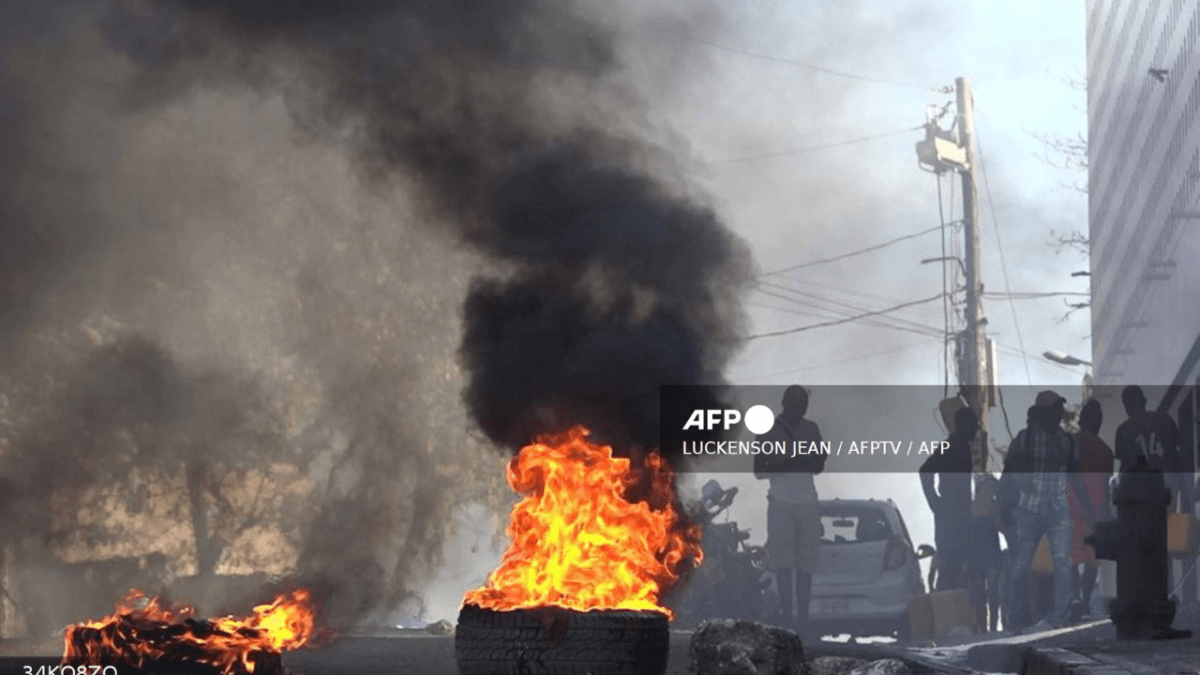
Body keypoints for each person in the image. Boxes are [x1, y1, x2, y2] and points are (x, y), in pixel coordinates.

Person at [1000, 390, 1094, 633]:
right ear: (1042, 413)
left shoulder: (1068, 441)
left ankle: (1060, 616)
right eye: (1053, 409)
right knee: (1021, 563)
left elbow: (1075, 477)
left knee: (1063, 562)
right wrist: (1007, 502)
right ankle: (1015, 618)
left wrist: (1089, 507)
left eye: (1059, 409)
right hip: (1029, 510)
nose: (1057, 414)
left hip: (1057, 510)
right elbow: (1009, 473)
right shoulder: (1025, 439)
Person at [754, 385, 827, 636]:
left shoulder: (811, 428)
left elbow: (819, 465)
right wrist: (788, 463)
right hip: (781, 503)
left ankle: (803, 621)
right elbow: (758, 470)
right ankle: (787, 619)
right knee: (784, 565)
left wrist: (807, 459)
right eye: (798, 405)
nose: (801, 410)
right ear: (786, 404)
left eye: (804, 406)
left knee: (805, 565)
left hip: (807, 502)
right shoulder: (766, 430)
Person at [1114, 385, 1193, 606]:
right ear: (1145, 401)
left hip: (1143, 490)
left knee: (1148, 542)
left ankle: (1156, 594)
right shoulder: (1164, 421)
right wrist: (1184, 490)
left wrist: (1121, 495)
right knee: (1170, 539)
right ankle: (1172, 592)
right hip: (1166, 485)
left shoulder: (1124, 429)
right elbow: (1177, 454)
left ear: (1127, 406)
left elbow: (1126, 468)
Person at [919, 407, 977, 590]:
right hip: (950, 518)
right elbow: (925, 470)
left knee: (960, 569)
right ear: (964, 426)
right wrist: (935, 503)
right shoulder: (951, 446)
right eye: (973, 426)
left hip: (959, 516)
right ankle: (948, 610)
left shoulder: (962, 446)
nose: (975, 431)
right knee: (951, 569)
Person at [1066, 399, 1113, 616]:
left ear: (1081, 420)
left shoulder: (1071, 443)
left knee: (1073, 558)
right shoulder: (1105, 451)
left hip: (1072, 509)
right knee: (1092, 561)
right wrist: (1103, 513)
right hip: (1095, 512)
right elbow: (1106, 484)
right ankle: (1082, 600)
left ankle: (1075, 598)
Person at [970, 472, 1003, 632]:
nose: (992, 490)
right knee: (979, 593)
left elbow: (1001, 527)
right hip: (977, 553)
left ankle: (994, 626)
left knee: (993, 590)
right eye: (989, 486)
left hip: (992, 551)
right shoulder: (971, 506)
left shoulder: (995, 506)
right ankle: (981, 625)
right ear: (981, 488)